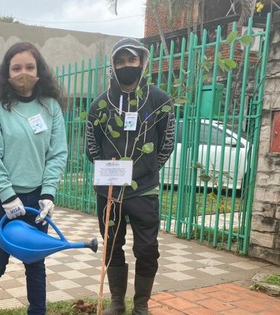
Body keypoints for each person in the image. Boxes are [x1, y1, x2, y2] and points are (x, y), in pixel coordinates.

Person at [85, 38, 176, 315]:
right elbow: (91, 146)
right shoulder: (100, 106)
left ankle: (141, 305)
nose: (126, 66)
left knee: (147, 248)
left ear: (142, 63)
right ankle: (116, 302)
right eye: (120, 61)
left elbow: (167, 143)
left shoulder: (160, 102)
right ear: (113, 66)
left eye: (131, 60)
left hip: (144, 190)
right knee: (111, 244)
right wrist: (108, 168)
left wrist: (147, 168)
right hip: (108, 190)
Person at [0, 41, 68, 315]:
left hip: (37, 201)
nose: (23, 73)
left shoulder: (50, 107)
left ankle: (37, 312)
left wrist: (49, 193)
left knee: (36, 262)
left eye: (30, 67)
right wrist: (7, 195)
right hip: (3, 201)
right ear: (6, 72)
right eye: (16, 68)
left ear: (40, 71)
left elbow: (57, 153)